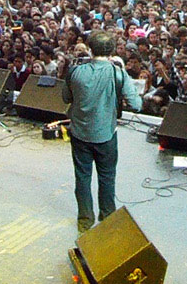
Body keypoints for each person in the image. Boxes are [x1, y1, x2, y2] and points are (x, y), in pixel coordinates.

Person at [59, 32, 143, 234]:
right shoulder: (118, 73)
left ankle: (84, 221)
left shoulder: (74, 71)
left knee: (83, 177)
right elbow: (137, 105)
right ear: (112, 51)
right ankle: (107, 219)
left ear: (90, 49)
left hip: (79, 133)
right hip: (106, 135)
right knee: (106, 178)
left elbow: (65, 98)